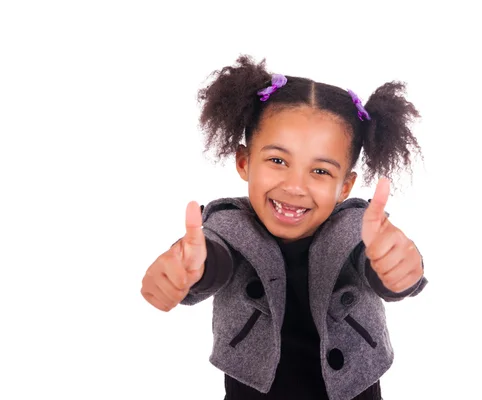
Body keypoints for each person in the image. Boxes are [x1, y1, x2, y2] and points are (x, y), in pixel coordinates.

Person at [140, 55, 428, 400]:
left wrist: (402, 272)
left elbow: (378, 261)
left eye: (320, 171)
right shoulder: (229, 224)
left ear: (346, 187)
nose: (295, 186)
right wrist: (188, 271)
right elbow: (212, 256)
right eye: (278, 161)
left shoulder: (359, 227)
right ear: (244, 162)